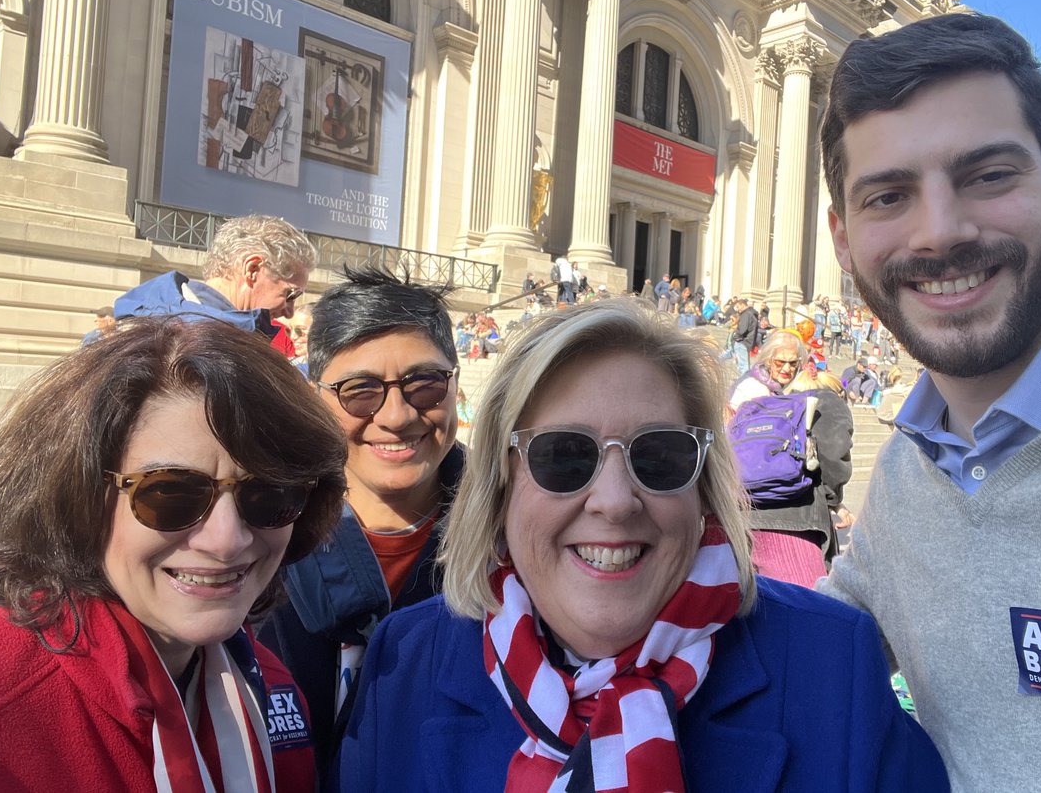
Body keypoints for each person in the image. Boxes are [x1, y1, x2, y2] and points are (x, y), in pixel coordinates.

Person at [338, 299, 948, 791]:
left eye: (659, 456)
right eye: (563, 456)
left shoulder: (833, 665)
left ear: (704, 488)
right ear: (502, 484)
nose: (614, 500)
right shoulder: (405, 663)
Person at [817, 11, 1041, 791]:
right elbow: (806, 635)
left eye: (987, 176)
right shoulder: (911, 473)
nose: (940, 233)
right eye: (888, 196)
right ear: (843, 238)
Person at [0, 317, 347, 791]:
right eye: (170, 494)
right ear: (77, 499)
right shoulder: (3, 698)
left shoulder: (272, 687)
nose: (227, 540)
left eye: (270, 493)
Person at [256, 266, 464, 777]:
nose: (396, 416)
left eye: (424, 384)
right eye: (360, 391)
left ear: (456, 385)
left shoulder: (516, 538)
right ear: (316, 398)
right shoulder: (254, 534)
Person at [729, 331, 854, 585]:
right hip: (792, 515)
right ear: (766, 360)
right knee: (806, 602)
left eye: (793, 363)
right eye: (780, 362)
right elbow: (835, 445)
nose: (787, 368)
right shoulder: (756, 392)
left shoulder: (759, 391)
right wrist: (832, 497)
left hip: (745, 511)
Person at [114, 214, 313, 355]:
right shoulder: (211, 347)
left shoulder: (143, 322)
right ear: (252, 269)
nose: (289, 312)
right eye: (290, 295)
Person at [731, 297, 759, 372]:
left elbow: (742, 330)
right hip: (747, 341)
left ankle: (744, 381)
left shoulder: (746, 314)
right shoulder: (751, 314)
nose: (737, 309)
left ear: (742, 305)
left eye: (738, 306)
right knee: (744, 364)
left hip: (742, 342)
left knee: (743, 366)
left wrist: (735, 336)